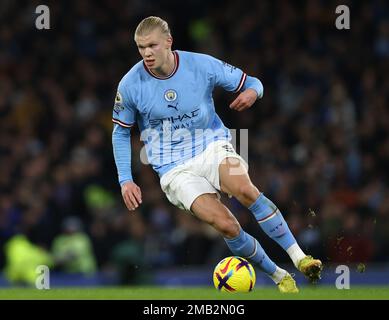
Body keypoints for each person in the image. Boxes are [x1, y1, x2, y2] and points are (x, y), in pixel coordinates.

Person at [112, 16, 322, 293]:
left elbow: (254, 82)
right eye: (140, 47)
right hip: (174, 169)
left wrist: (252, 94)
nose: (146, 53)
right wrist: (125, 179)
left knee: (245, 189)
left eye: (152, 45)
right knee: (225, 224)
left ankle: (300, 258)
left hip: (213, 145)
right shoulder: (130, 84)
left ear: (168, 42)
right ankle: (278, 275)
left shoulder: (201, 65)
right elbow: (120, 132)